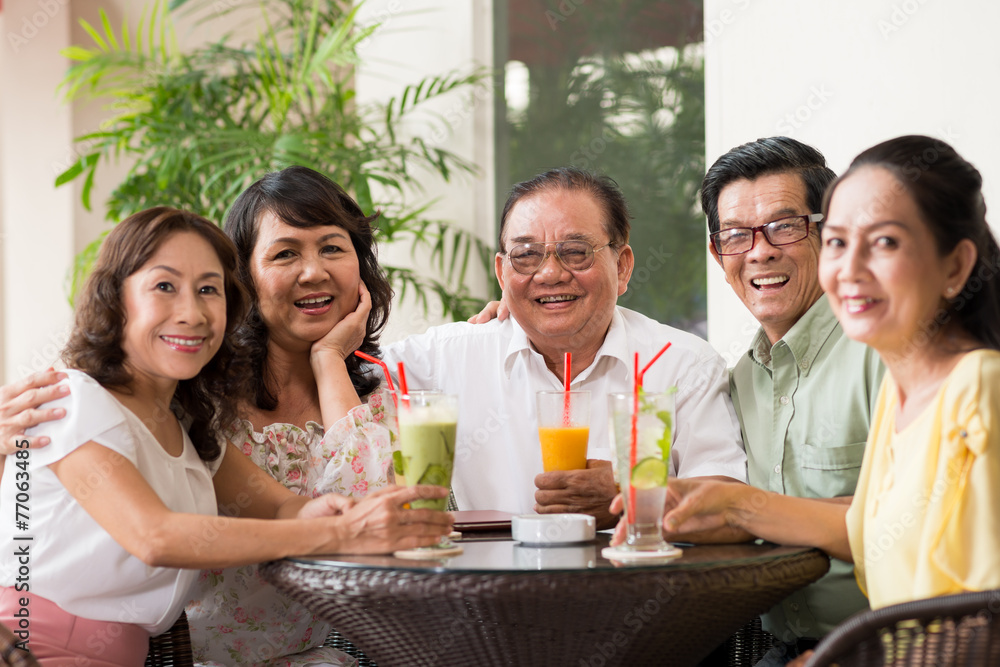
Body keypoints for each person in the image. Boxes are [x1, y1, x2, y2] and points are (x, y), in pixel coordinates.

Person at [0, 207, 451, 666]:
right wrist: (337, 532)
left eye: (208, 290)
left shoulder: (185, 425)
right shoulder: (73, 398)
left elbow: (281, 506)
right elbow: (155, 537)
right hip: (32, 647)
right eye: (164, 287)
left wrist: (336, 511)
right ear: (116, 301)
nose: (191, 313)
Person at [658, 135, 1000, 662]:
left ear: (954, 268)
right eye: (839, 242)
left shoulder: (979, 389)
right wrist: (732, 505)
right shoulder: (904, 392)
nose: (850, 268)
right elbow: (868, 531)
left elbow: (982, 623)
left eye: (884, 242)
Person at [384, 167, 747, 528]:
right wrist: (348, 331)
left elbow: (729, 508)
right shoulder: (447, 356)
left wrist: (631, 497)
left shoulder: (683, 365)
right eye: (526, 255)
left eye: (575, 251)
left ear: (622, 267)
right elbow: (356, 381)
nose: (549, 274)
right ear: (502, 274)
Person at [184, 166, 403, 666]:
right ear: (244, 277)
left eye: (332, 248)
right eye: (285, 254)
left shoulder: (376, 396)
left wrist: (329, 361)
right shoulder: (202, 396)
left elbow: (368, 546)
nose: (313, 272)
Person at [701, 137, 882, 661]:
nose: (760, 251)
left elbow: (923, 525)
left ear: (830, 235)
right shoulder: (737, 382)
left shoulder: (885, 354)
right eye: (736, 235)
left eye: (784, 226)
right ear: (718, 254)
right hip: (772, 648)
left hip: (896, 646)